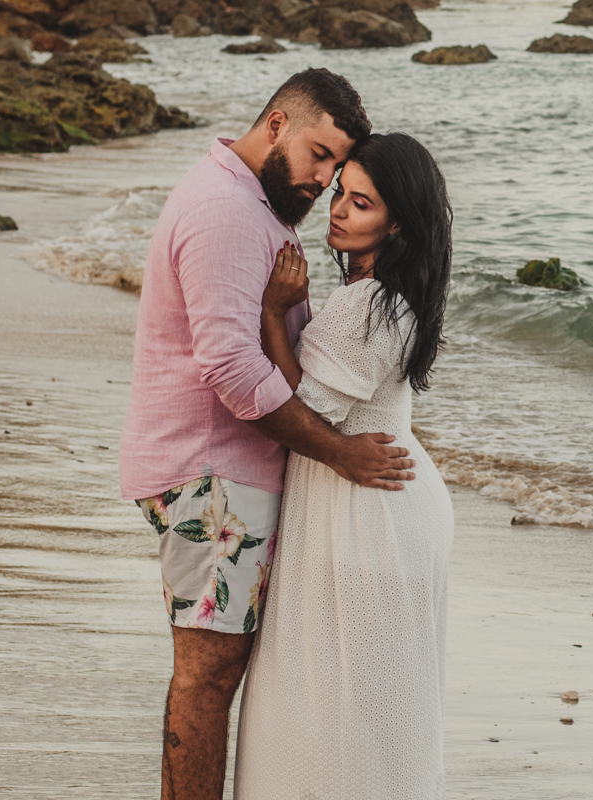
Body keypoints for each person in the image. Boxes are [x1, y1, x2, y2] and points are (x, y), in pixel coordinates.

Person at [118, 70, 416, 800]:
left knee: (215, 671)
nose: (323, 181)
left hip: (228, 474)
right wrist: (339, 451)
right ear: (278, 124)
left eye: (337, 169)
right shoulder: (227, 210)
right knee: (208, 674)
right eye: (319, 155)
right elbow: (230, 369)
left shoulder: (260, 205)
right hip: (212, 475)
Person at [233, 132, 455, 798]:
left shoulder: (369, 302)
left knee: (332, 707)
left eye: (361, 203)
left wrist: (274, 315)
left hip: (364, 514)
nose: (339, 211)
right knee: (366, 713)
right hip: (384, 505)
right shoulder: (389, 296)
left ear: (398, 221)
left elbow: (306, 410)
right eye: (339, 195)